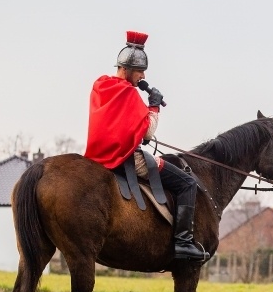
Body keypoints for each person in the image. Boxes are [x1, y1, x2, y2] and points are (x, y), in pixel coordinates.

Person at [84, 31, 209, 261]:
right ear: (127, 69)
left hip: (96, 155)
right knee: (187, 183)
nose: (142, 76)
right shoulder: (128, 93)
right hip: (124, 157)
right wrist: (153, 106)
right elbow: (148, 133)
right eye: (140, 71)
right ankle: (183, 242)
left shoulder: (101, 85)